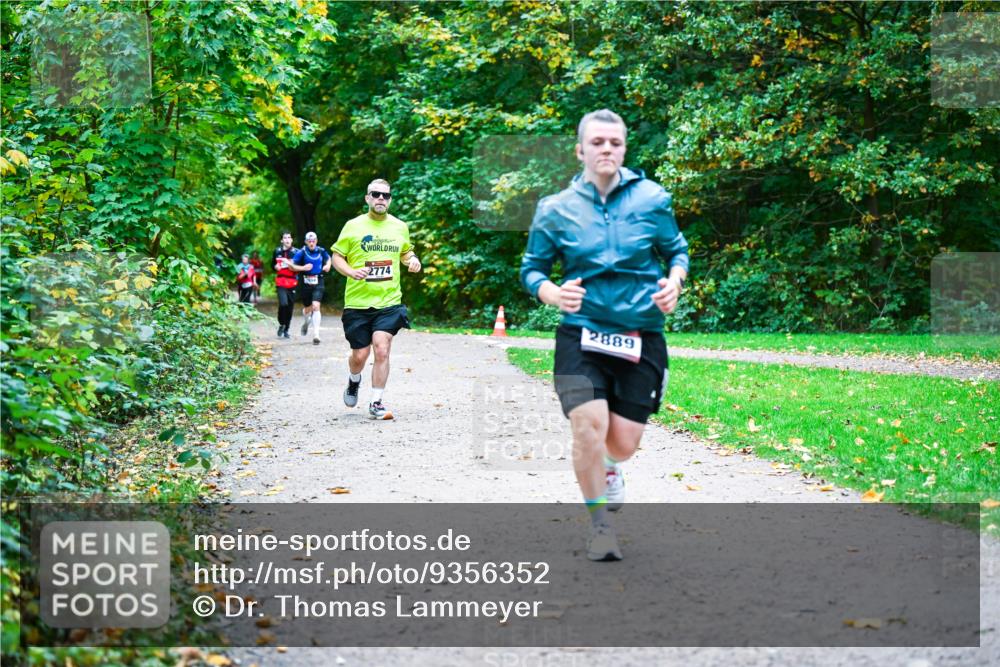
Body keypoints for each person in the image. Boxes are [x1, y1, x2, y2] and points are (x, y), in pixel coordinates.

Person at [520, 109, 689, 561]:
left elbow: (677, 251)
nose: (607, 149)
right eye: (597, 142)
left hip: (642, 333)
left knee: (621, 443)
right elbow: (531, 270)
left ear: (625, 148)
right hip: (581, 333)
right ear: (580, 150)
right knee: (587, 428)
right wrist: (553, 293)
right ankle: (599, 527)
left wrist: (675, 281)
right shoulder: (555, 209)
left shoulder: (653, 198)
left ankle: (613, 466)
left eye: (615, 142)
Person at [332, 178, 421, 420]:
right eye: (376, 194)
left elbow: (405, 251)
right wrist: (351, 271)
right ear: (367, 198)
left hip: (389, 302)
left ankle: (376, 402)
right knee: (360, 356)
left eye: (386, 195)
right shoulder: (353, 226)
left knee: (382, 349)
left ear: (390, 199)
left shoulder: (400, 227)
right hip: (358, 303)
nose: (381, 198)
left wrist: (412, 260)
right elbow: (336, 257)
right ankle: (353, 380)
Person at [287, 231, 331, 345]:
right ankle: (306, 322)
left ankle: (316, 335)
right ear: (306, 242)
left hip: (318, 280)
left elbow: (329, 259)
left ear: (316, 241)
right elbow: (291, 266)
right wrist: (303, 268)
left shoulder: (321, 250)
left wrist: (327, 266)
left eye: (313, 241)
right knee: (308, 309)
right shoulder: (302, 252)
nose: (312, 243)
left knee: (316, 306)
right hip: (305, 282)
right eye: (309, 241)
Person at [272, 232, 298, 339]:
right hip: (281, 281)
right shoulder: (277, 251)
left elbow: (299, 266)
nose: (287, 239)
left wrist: (292, 265)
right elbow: (272, 265)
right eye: (285, 238)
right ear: (281, 240)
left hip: (292, 282)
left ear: (292, 240)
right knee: (283, 304)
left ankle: (286, 329)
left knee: (290, 307)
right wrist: (275, 267)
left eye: (289, 237)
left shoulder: (296, 252)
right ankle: (281, 323)